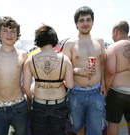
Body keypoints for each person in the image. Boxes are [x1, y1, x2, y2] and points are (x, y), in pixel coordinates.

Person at [23, 24, 74, 135]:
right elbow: (70, 85)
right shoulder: (64, 59)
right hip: (59, 104)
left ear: (38, 41)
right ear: (54, 40)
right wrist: (59, 81)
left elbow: (26, 87)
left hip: (39, 103)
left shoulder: (30, 59)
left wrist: (32, 99)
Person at [63, 6, 106, 135]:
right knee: (77, 127)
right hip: (76, 92)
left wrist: (104, 84)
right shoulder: (70, 44)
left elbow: (103, 64)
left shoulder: (100, 41)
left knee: (96, 130)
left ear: (93, 22)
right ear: (76, 23)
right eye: (82, 20)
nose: (85, 23)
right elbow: (64, 69)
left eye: (88, 20)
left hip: (96, 91)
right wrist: (78, 71)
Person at [0, 16, 28, 135]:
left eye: (13, 31)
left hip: (19, 106)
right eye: (5, 30)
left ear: (17, 35)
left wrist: (29, 103)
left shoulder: (23, 55)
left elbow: (27, 83)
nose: (9, 34)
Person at [105, 21, 130, 135]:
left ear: (116, 32)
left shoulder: (113, 48)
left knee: (113, 123)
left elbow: (110, 72)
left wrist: (106, 88)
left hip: (117, 92)